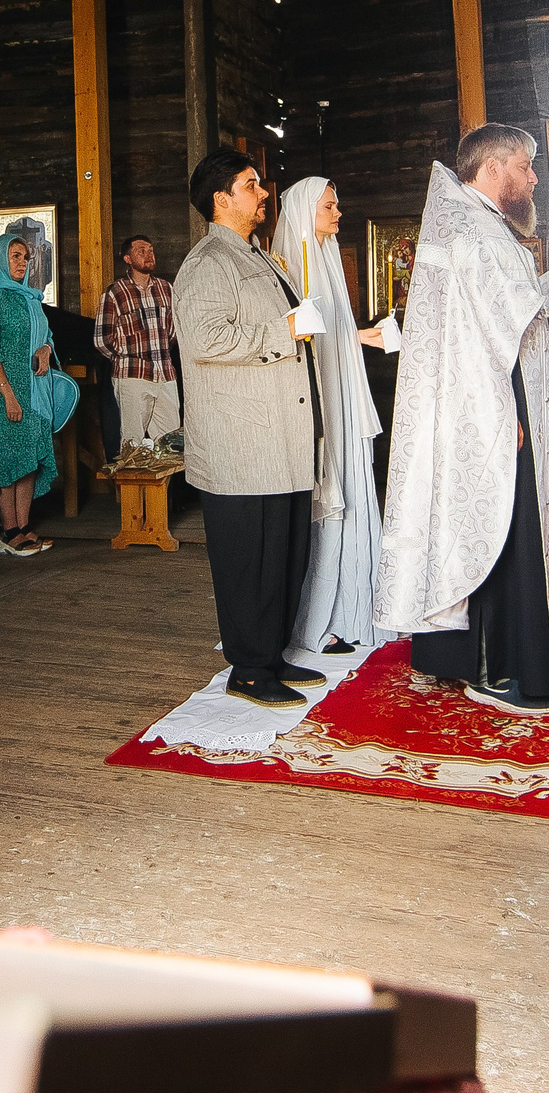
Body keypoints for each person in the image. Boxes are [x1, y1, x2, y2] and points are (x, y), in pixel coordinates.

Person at [376, 124, 549, 715]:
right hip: (491, 402)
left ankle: (498, 657)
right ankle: (505, 666)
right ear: (492, 168)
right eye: (525, 166)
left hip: (499, 395)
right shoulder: (471, 228)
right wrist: (504, 410)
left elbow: (504, 313)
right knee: (503, 527)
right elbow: (484, 336)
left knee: (509, 523)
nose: (533, 178)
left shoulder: (481, 224)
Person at [174, 150, 330, 709]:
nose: (263, 194)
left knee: (284, 552)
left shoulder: (257, 255)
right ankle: (247, 667)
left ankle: (271, 654)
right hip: (243, 442)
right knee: (250, 559)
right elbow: (206, 340)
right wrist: (284, 330)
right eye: (251, 185)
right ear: (221, 199)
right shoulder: (207, 262)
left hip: (280, 435)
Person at [271, 179, 391, 655]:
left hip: (342, 392)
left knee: (354, 491)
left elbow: (332, 331)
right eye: (329, 206)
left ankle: (351, 609)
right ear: (306, 211)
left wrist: (363, 336)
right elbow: (301, 336)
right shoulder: (288, 266)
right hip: (318, 398)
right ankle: (316, 617)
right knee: (328, 496)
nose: (338, 213)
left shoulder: (327, 256)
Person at [0, 233, 63, 559]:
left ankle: (23, 526)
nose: (22, 262)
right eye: (15, 256)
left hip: (35, 393)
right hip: (5, 392)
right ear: (0, 258)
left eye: (25, 257)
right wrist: (9, 397)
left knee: (28, 462)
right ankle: (8, 531)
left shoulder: (31, 297)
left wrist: (46, 349)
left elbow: (47, 336)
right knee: (8, 461)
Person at [94, 233, 181, 451]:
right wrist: (127, 356)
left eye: (150, 250)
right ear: (128, 259)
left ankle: (166, 477)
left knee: (172, 443)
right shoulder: (115, 292)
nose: (148, 254)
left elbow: (173, 332)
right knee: (132, 443)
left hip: (165, 374)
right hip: (132, 376)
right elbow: (102, 340)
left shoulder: (166, 288)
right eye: (141, 251)